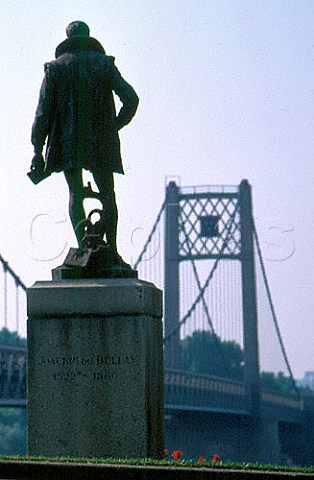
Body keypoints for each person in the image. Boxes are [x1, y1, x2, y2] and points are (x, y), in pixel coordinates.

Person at [31, 21, 139, 266]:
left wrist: (37, 151)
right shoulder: (104, 64)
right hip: (102, 143)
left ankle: (82, 250)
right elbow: (131, 99)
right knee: (109, 195)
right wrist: (114, 126)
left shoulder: (55, 68)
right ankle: (113, 250)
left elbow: (42, 113)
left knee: (74, 193)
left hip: (67, 145)